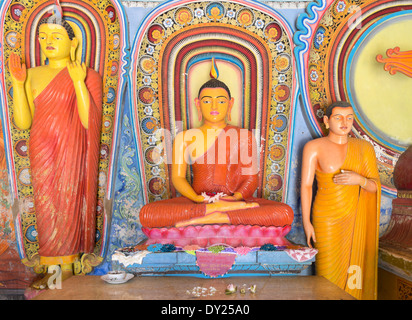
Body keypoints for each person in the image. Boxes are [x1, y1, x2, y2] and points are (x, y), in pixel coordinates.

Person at [9, 15, 102, 288]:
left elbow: (90, 121)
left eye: (56, 36)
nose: (48, 42)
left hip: (72, 146)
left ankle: (69, 266)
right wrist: (17, 84)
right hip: (41, 145)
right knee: (46, 204)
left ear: (73, 43)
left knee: (68, 199)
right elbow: (23, 122)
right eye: (44, 37)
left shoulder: (87, 74)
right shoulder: (33, 74)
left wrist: (77, 81)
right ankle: (51, 268)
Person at [139, 78, 293, 229]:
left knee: (284, 213)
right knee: (148, 214)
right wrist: (196, 198)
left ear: (230, 103)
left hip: (235, 202)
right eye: (207, 101)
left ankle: (216, 214)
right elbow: (178, 178)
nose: (214, 106)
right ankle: (217, 213)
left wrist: (234, 199)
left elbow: (250, 179)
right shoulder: (184, 138)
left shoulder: (244, 136)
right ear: (197, 104)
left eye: (221, 101)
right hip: (198, 202)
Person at [300, 101, 381, 299]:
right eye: (338, 117)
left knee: (354, 272)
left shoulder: (364, 148)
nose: (345, 122)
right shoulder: (314, 147)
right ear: (327, 121)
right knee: (326, 274)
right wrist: (306, 223)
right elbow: (306, 186)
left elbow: (374, 186)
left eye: (349, 118)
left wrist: (360, 180)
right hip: (326, 219)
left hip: (355, 220)